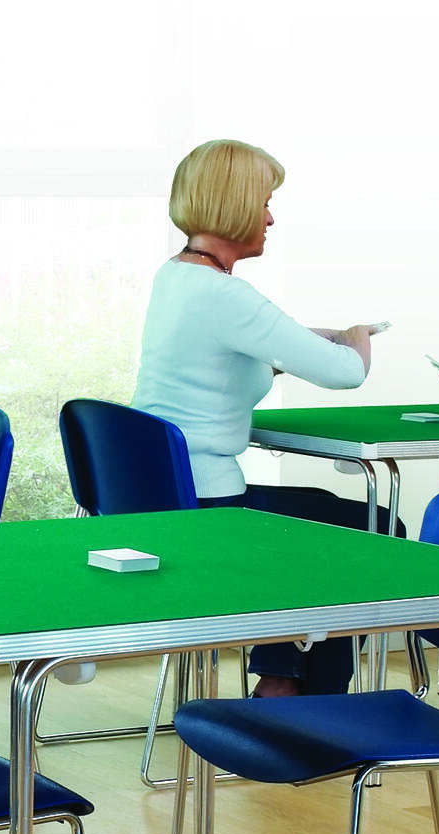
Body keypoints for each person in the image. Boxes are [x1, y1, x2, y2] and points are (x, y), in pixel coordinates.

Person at [132, 138, 394, 697]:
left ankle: (283, 677)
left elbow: (215, 372)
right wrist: (354, 339)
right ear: (235, 205)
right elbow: (347, 373)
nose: (272, 217)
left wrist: (286, 350)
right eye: (266, 201)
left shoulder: (173, 279)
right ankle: (295, 697)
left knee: (323, 520)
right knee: (374, 528)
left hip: (160, 501)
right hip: (209, 509)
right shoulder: (227, 295)